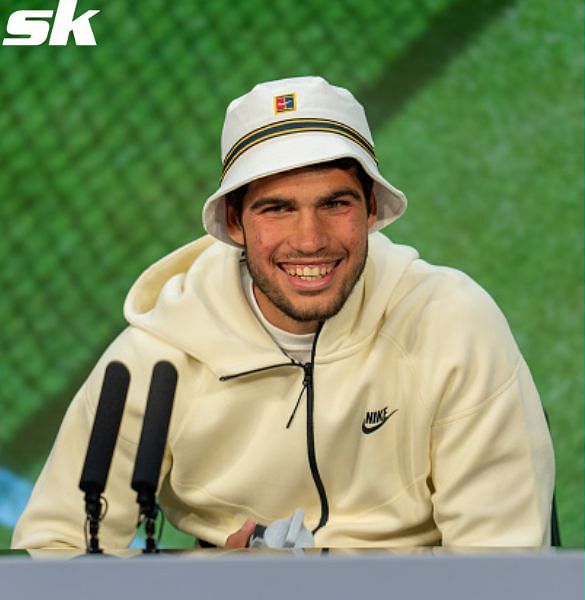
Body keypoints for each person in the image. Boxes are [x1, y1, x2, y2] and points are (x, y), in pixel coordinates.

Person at [14, 76, 555, 549]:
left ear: (370, 210)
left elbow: (501, 565)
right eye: (277, 208)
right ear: (233, 222)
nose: (310, 240)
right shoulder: (156, 359)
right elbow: (56, 546)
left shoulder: (453, 324)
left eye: (335, 203)